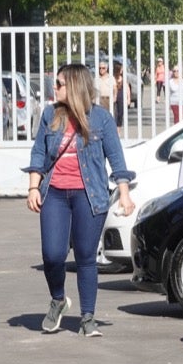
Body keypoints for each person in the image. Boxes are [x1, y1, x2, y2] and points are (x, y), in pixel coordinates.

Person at [25, 63, 135, 337]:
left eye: (59, 84)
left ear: (73, 86)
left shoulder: (101, 119)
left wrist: (124, 194)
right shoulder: (50, 115)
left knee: (86, 256)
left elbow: (117, 159)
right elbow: (38, 152)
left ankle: (88, 317)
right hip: (55, 194)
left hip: (90, 194)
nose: (55, 88)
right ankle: (58, 300)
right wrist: (33, 188)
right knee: (53, 255)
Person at [112, 62, 130, 130]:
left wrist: (128, 98)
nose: (122, 70)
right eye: (121, 69)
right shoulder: (113, 78)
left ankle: (118, 129)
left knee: (120, 113)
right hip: (114, 96)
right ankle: (114, 128)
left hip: (121, 96)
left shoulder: (123, 78)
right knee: (114, 113)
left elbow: (127, 87)